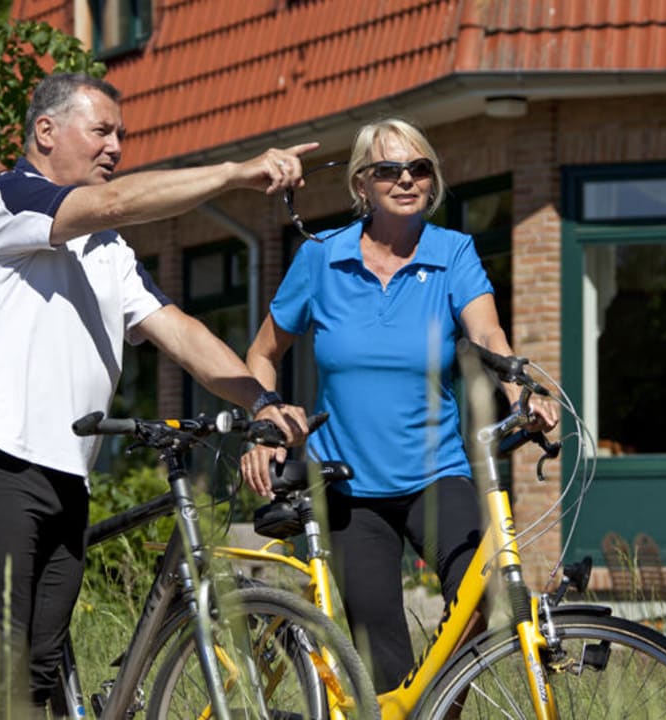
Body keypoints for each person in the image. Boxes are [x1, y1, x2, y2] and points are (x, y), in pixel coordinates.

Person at [0, 72, 315, 714]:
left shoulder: (106, 250)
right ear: (45, 132)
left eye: (122, 137)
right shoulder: (2, 200)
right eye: (102, 131)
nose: (115, 148)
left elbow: (181, 333)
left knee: (41, 673)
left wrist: (260, 401)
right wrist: (233, 174)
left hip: (67, 473)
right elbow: (114, 203)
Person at [240, 118, 559, 691]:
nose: (406, 179)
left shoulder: (452, 252)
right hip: (347, 488)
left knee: (484, 598)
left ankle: (438, 703)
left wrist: (524, 390)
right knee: (383, 659)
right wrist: (265, 415)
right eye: (389, 169)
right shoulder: (322, 258)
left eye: (420, 168)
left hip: (436, 473)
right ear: (362, 183)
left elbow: (488, 338)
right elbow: (262, 354)